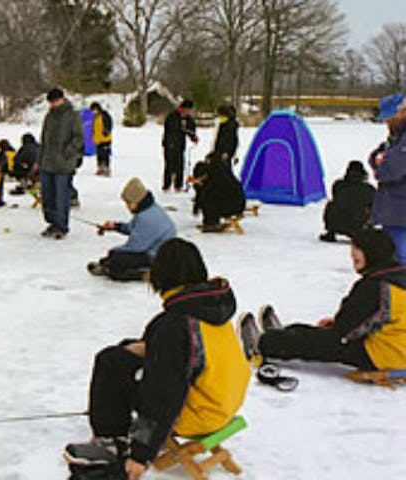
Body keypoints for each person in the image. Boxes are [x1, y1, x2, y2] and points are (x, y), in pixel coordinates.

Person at [65, 239, 251, 480]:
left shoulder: (172, 325)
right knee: (122, 353)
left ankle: (112, 443)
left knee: (110, 362)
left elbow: (164, 394)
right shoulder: (209, 305)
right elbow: (194, 353)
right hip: (224, 404)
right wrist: (144, 347)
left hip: (197, 416)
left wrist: (141, 454)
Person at [240, 229, 406, 372]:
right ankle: (286, 334)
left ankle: (264, 344)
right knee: (317, 333)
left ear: (372, 255)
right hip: (397, 345)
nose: (353, 263)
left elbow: (344, 332)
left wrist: (337, 326)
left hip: (388, 355)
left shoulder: (374, 286)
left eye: (356, 259)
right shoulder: (396, 275)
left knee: (320, 343)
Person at [88, 178, 176, 281]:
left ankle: (143, 274)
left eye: (128, 203)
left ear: (135, 201)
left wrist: (114, 252)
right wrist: (116, 226)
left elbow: (136, 247)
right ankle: (109, 265)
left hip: (157, 256)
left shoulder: (146, 218)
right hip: (155, 250)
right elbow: (133, 228)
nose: (127, 207)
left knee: (117, 261)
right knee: (114, 257)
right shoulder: (148, 209)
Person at [39, 87, 84, 240]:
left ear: (61, 100)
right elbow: (44, 138)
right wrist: (41, 158)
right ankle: (52, 222)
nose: (52, 105)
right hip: (47, 163)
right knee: (47, 196)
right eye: (50, 103)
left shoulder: (72, 115)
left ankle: (61, 226)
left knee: (61, 197)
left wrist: (67, 154)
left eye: (54, 102)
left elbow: (78, 138)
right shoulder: (49, 116)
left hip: (64, 165)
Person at [369, 99, 406, 263]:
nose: (387, 123)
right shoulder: (396, 136)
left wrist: (379, 167)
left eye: (389, 118)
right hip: (394, 209)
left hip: (400, 211)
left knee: (399, 258)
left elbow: (390, 170)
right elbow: (375, 156)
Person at [319, 161, 375, 242]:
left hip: (338, 224)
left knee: (332, 204)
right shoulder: (369, 189)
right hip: (358, 225)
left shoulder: (338, 185)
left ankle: (331, 232)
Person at [190, 153, 245, 232]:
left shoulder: (219, 175)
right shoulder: (216, 172)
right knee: (207, 197)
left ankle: (212, 224)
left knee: (208, 198)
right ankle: (209, 222)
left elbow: (214, 193)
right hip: (232, 202)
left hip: (234, 204)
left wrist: (202, 187)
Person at [162, 99, 198, 192]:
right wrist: (182, 127)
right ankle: (166, 186)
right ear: (183, 108)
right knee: (169, 165)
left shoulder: (187, 118)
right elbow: (171, 130)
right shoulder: (172, 116)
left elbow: (191, 129)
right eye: (187, 110)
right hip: (169, 143)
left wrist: (193, 137)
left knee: (180, 165)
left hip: (180, 145)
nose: (189, 112)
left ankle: (178, 185)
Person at [90, 102, 113, 177]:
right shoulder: (96, 117)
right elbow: (94, 127)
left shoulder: (104, 115)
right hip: (98, 139)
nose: (93, 112)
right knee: (99, 154)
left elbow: (109, 124)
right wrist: (93, 134)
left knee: (105, 154)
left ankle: (106, 168)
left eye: (94, 110)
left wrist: (106, 131)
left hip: (105, 139)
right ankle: (100, 168)